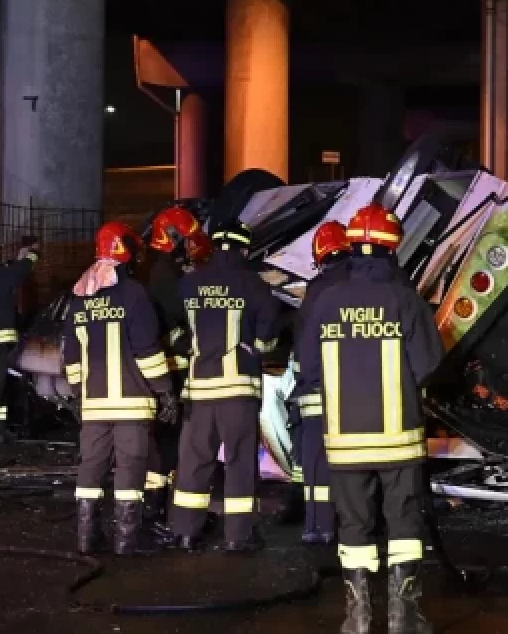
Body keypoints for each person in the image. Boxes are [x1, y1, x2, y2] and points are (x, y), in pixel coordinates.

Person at [294, 203, 443, 634]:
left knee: (354, 524)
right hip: (399, 439)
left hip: (344, 441)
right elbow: (429, 364)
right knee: (404, 522)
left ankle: (357, 618)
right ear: (391, 249)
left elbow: (306, 367)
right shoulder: (405, 300)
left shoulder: (326, 301)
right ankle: (404, 616)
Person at [63, 222, 180, 555]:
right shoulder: (134, 294)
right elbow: (147, 349)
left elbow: (70, 353)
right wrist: (165, 390)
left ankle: (87, 536)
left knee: (92, 465)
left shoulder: (80, 296)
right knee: (131, 465)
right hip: (131, 402)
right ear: (128, 254)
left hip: (93, 403)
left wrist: (77, 393)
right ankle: (127, 540)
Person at [169, 220, 283, 552]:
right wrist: (254, 350)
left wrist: (187, 346)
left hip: (199, 391)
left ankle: (186, 531)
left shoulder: (190, 283)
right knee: (239, 462)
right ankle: (238, 536)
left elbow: (167, 325)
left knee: (194, 462)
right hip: (237, 391)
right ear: (245, 247)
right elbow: (269, 333)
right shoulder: (253, 284)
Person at [140, 205, 211, 521]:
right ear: (173, 239)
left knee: (168, 442)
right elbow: (180, 317)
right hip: (170, 370)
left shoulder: (161, 269)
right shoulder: (165, 275)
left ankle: (160, 507)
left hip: (168, 369)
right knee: (169, 442)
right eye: (186, 240)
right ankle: (157, 510)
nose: (190, 247)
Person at [286, 220, 352, 545]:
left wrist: (304, 379)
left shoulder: (317, 291)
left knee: (316, 460)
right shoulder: (361, 284)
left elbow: (305, 342)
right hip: (358, 392)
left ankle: (318, 526)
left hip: (319, 391)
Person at [0, 237, 40, 443]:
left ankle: (1, 426)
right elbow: (26, 266)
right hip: (4, 340)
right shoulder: (5, 275)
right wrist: (33, 251)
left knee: (1, 382)